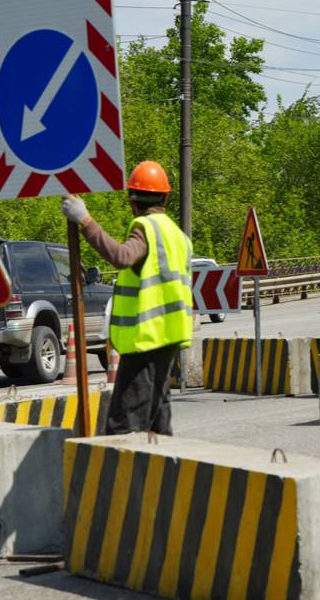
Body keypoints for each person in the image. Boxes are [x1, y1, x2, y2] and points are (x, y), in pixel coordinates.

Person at [61, 160, 193, 435]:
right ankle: (163, 476)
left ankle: (124, 478)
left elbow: (122, 256)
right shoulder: (178, 236)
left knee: (124, 427)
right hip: (168, 338)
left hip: (146, 341)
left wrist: (85, 220)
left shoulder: (145, 228)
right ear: (166, 197)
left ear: (131, 201)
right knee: (158, 421)